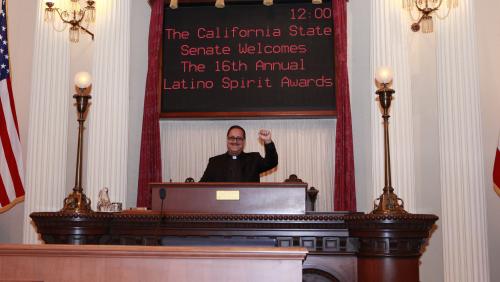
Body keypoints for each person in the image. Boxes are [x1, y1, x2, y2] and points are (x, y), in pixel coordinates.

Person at [200, 125, 278, 182]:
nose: (235, 141)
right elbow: (202, 186)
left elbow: (272, 162)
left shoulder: (254, 159)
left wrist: (268, 141)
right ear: (227, 140)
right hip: (221, 204)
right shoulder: (215, 162)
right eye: (232, 138)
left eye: (239, 138)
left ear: (244, 141)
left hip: (248, 203)